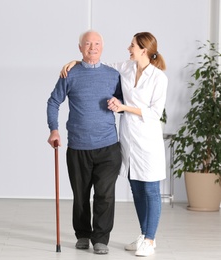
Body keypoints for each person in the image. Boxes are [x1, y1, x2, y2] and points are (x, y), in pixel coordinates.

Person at [60, 32, 168, 257]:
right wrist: (76, 62)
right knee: (136, 189)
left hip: (147, 140)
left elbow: (155, 112)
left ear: (144, 50)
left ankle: (150, 239)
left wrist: (123, 107)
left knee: (150, 190)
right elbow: (97, 62)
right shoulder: (127, 68)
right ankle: (143, 234)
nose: (129, 48)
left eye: (133, 45)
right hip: (128, 138)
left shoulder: (159, 78)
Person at [46, 30, 122, 255]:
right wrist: (54, 129)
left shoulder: (114, 74)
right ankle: (82, 234)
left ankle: (100, 238)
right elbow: (53, 102)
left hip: (108, 145)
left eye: (97, 43)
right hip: (78, 146)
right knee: (81, 195)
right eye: (87, 44)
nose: (92, 47)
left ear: (103, 47)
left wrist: (118, 102)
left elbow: (125, 102)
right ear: (80, 48)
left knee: (105, 194)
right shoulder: (70, 73)